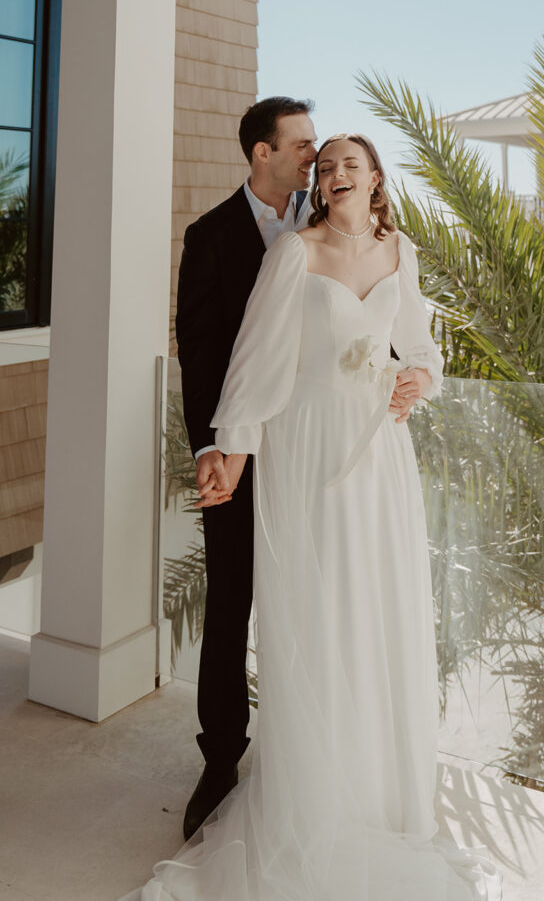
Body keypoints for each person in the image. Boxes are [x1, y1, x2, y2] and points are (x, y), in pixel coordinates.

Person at [130, 134, 500, 899]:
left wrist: (416, 382)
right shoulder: (292, 255)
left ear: (374, 180)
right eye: (324, 165)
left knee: (377, 612)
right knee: (319, 613)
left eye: (349, 165)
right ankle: (313, 795)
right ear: (319, 183)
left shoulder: (402, 252)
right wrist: (229, 450)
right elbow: (257, 361)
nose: (334, 174)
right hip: (306, 452)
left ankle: (378, 795)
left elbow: (422, 349)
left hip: (379, 455)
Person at [175, 96, 317, 839]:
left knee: (312, 597)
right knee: (230, 603)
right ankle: (221, 756)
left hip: (315, 453)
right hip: (238, 451)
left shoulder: (326, 227)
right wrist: (209, 450)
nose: (312, 157)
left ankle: (308, 752)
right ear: (261, 153)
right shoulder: (210, 237)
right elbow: (198, 355)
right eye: (299, 145)